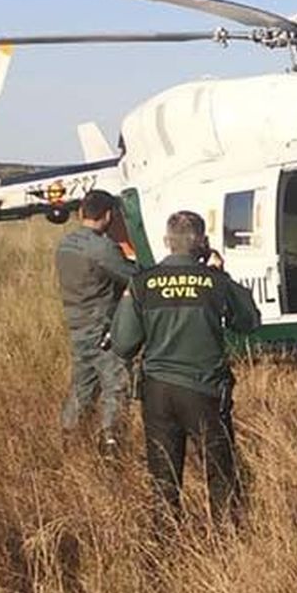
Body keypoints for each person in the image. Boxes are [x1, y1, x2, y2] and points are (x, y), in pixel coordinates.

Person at [110, 211, 261, 529]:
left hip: (158, 392)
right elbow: (249, 321)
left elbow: (123, 344)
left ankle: (165, 544)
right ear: (202, 243)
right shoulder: (215, 281)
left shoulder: (142, 283)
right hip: (204, 391)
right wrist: (223, 276)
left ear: (167, 242)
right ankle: (226, 541)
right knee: (219, 472)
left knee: (163, 477)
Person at [56, 189, 137, 451]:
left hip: (77, 325)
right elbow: (131, 277)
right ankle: (111, 442)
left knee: (83, 386)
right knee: (117, 385)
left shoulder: (65, 244)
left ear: (81, 212)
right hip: (103, 328)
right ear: (109, 215)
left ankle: (67, 438)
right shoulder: (102, 247)